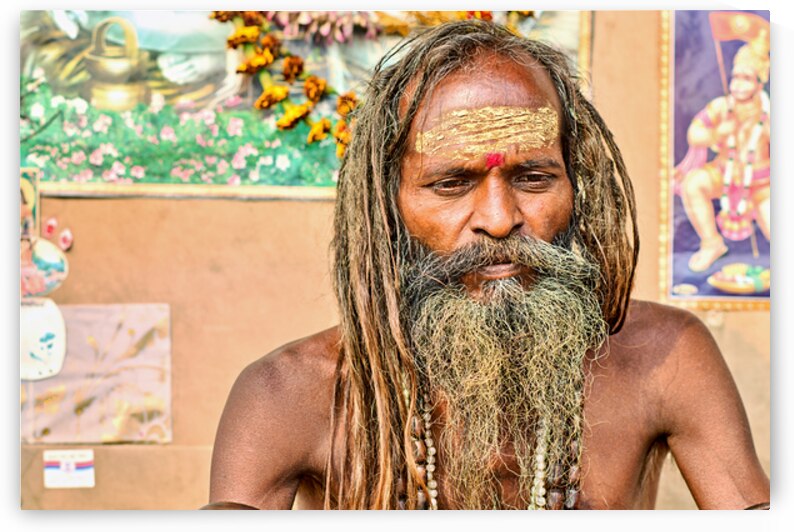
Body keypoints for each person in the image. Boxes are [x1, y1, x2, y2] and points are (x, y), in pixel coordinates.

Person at [204, 20, 769, 510]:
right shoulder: (285, 395)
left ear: (577, 186)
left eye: (533, 178)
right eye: (452, 184)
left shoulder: (666, 359)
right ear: (386, 207)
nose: (499, 219)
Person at [675, 27, 770, 273]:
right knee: (693, 184)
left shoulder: (769, 113)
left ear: (759, 83)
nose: (738, 84)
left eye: (746, 78)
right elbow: (694, 134)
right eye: (735, 77)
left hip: (761, 184)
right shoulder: (720, 107)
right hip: (724, 173)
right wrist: (718, 133)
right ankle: (711, 243)